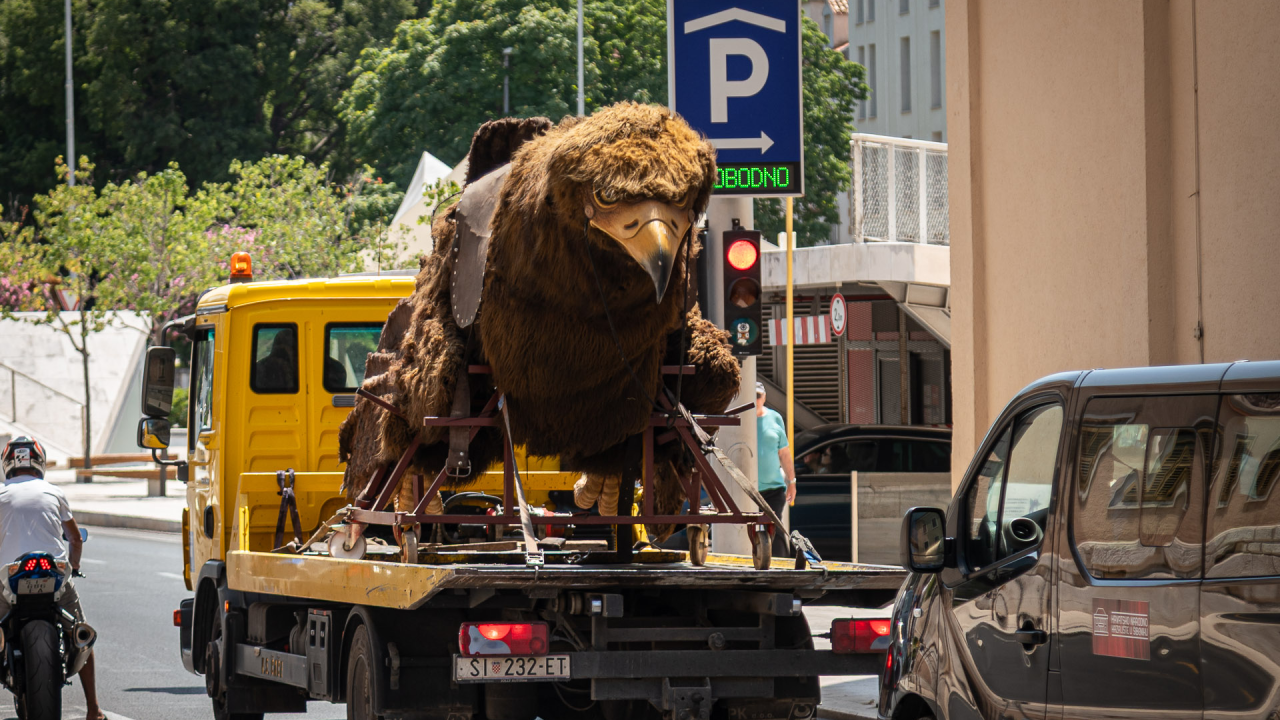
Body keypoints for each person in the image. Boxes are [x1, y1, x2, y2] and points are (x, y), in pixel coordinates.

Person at [0, 437, 105, 720]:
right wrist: (74, 565)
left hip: (9, 577)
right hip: (54, 573)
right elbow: (74, 539)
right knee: (81, 633)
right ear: (39, 462)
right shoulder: (54, 492)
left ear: (8, 464)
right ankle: (94, 709)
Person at [755, 383, 795, 557]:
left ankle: (782, 567)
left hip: (773, 489)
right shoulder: (740, 418)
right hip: (748, 490)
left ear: (764, 397)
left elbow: (784, 453)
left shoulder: (775, 418)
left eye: (758, 396)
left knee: (775, 529)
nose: (755, 400)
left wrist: (792, 482)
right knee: (746, 531)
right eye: (752, 396)